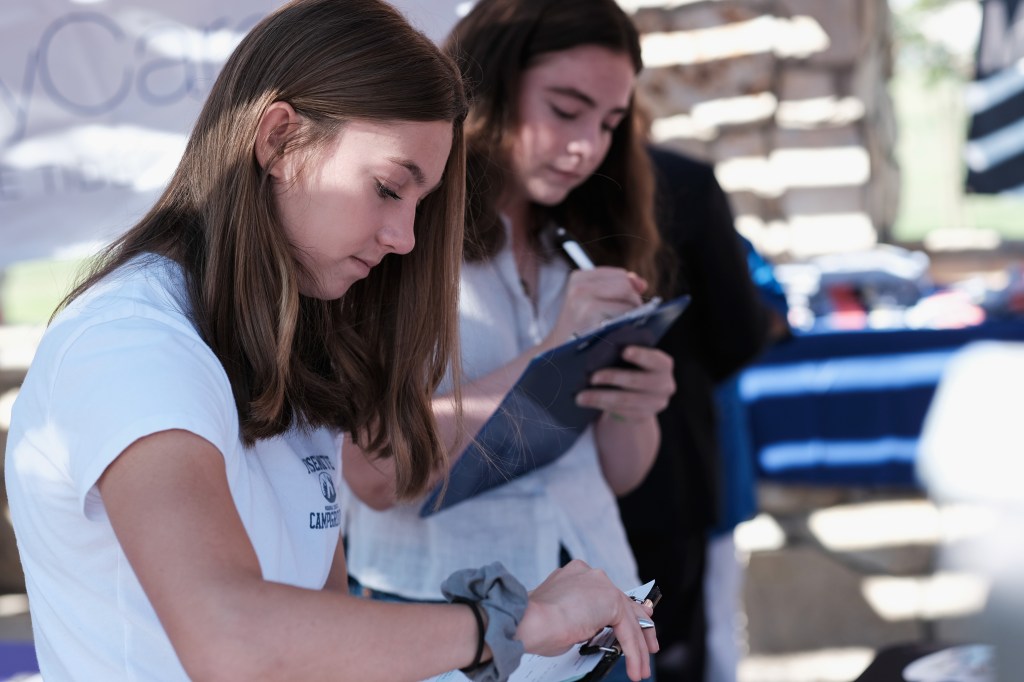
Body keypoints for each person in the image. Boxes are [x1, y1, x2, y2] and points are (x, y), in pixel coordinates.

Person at [3, 1, 659, 680]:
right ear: (280, 140)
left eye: (419, 205)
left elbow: (323, 640)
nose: (404, 238)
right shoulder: (131, 342)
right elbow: (230, 637)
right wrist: (510, 623)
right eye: (386, 189)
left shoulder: (296, 346)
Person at [341, 0, 675, 680]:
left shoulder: (577, 241)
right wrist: (551, 356)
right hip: (439, 622)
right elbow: (373, 472)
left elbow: (615, 474)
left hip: (606, 607)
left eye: (611, 123)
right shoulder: (396, 238)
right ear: (488, 88)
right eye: (565, 108)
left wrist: (633, 404)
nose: (588, 146)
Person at [617, 146, 787, 682]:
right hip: (669, 474)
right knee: (686, 638)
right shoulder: (681, 183)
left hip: (656, 468)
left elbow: (759, 316)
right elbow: (741, 332)